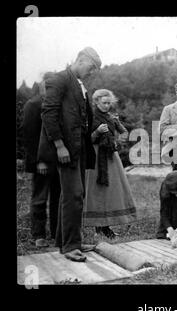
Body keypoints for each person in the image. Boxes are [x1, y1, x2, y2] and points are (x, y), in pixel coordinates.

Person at [38, 47, 101, 262]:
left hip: (79, 148)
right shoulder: (59, 79)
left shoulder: (78, 84)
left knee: (72, 195)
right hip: (66, 148)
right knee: (74, 196)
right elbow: (49, 113)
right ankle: (71, 246)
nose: (92, 73)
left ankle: (65, 241)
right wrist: (59, 145)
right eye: (91, 68)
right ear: (81, 60)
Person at [82, 89, 137, 238]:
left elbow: (124, 132)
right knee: (97, 191)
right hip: (95, 157)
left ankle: (107, 226)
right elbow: (87, 140)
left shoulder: (111, 117)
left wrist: (118, 142)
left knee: (111, 190)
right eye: (104, 103)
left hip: (111, 157)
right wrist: (97, 132)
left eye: (109, 103)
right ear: (96, 102)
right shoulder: (89, 117)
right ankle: (99, 228)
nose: (107, 106)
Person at [21, 73, 60, 248]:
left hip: (58, 161)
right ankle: (38, 234)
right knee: (40, 197)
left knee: (58, 197)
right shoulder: (33, 104)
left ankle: (56, 232)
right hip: (41, 162)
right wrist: (39, 161)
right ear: (42, 85)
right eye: (48, 85)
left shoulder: (57, 105)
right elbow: (29, 137)